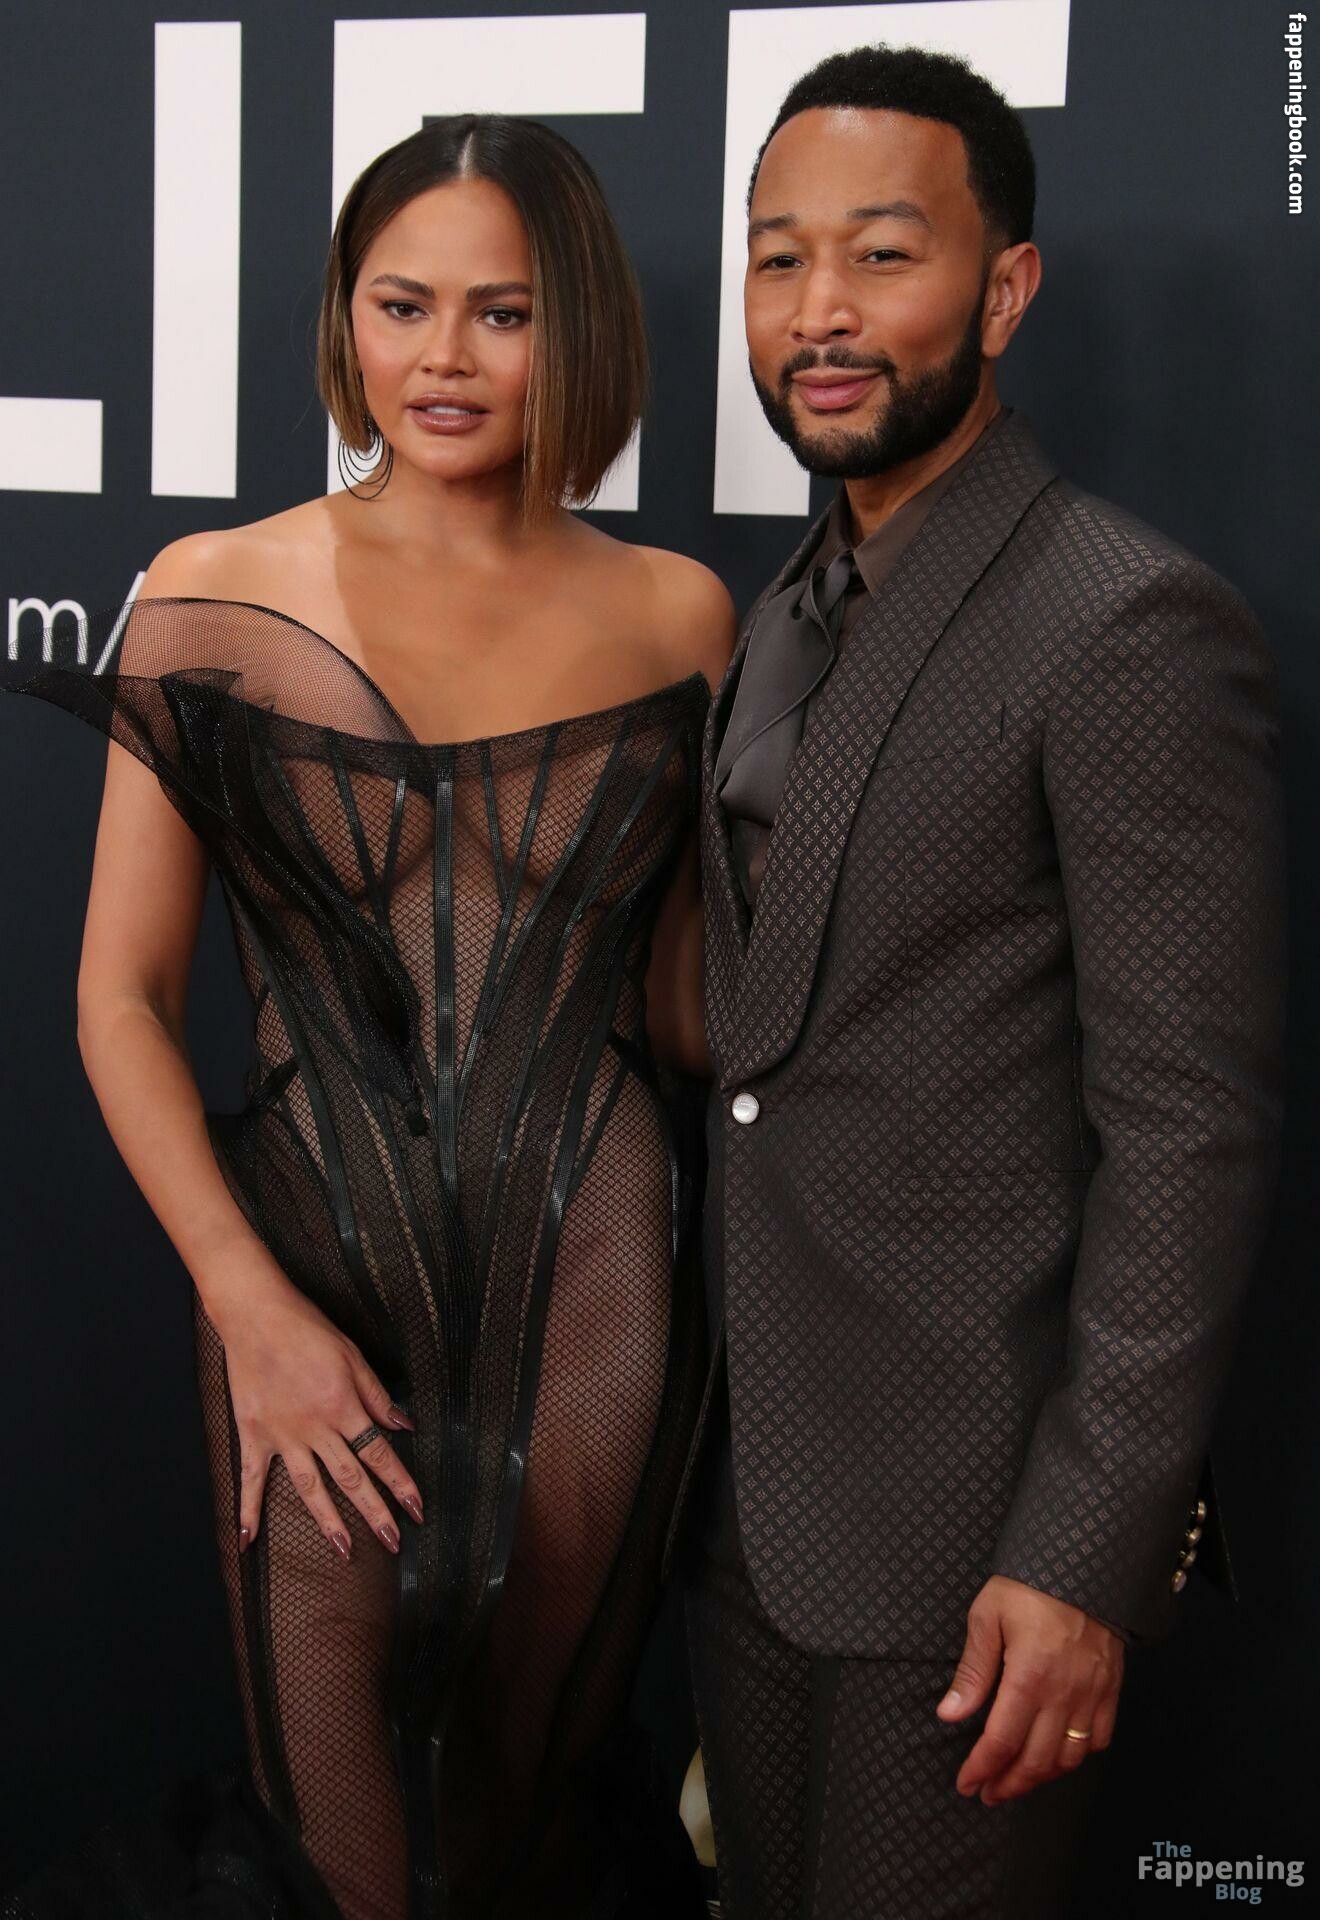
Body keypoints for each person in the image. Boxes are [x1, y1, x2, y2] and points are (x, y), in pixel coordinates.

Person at [3, 113, 733, 1920]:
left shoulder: (678, 614)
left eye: (504, 312)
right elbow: (118, 999)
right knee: (347, 1856)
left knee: (519, 1833)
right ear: (346, 318)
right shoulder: (211, 591)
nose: (445, 358)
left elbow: (690, 1016)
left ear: (579, 329)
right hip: (302, 1274)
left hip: (598, 1284)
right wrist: (246, 1305)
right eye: (403, 305)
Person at [664, 44, 1288, 1920]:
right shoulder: (783, 612)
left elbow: (1187, 1131)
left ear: (1004, 290)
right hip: (750, 1507)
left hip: (977, 1533)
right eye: (780, 260)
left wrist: (1088, 1553)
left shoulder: (1122, 617)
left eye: (881, 255)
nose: (820, 314)